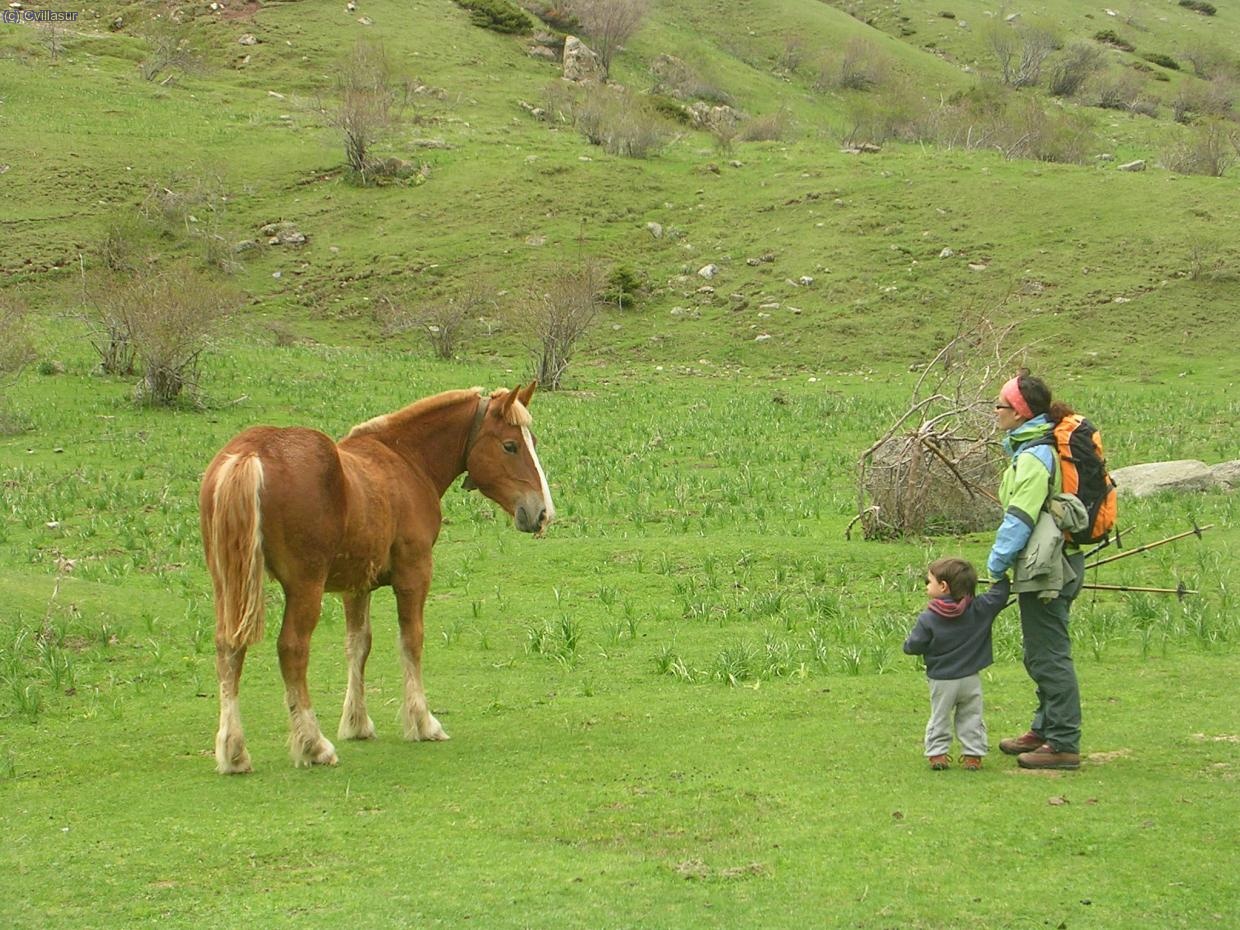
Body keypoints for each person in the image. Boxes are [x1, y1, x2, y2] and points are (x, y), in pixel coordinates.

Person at [987, 372, 1085, 770]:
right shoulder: (1033, 447)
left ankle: (1063, 742)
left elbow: (1020, 516)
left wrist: (996, 564)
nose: (995, 411)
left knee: (1048, 655)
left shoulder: (1033, 456)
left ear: (1019, 412)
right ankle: (1044, 729)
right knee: (1040, 652)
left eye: (1000, 405)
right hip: (1056, 560)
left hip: (1048, 567)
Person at [903, 557, 1011, 771]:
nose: (926, 585)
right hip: (970, 678)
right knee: (972, 716)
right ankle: (973, 756)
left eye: (929, 581)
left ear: (943, 586)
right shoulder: (980, 608)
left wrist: (909, 646)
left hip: (942, 680)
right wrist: (1001, 578)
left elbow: (913, 646)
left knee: (940, 716)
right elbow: (999, 595)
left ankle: (937, 755)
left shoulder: (929, 618)